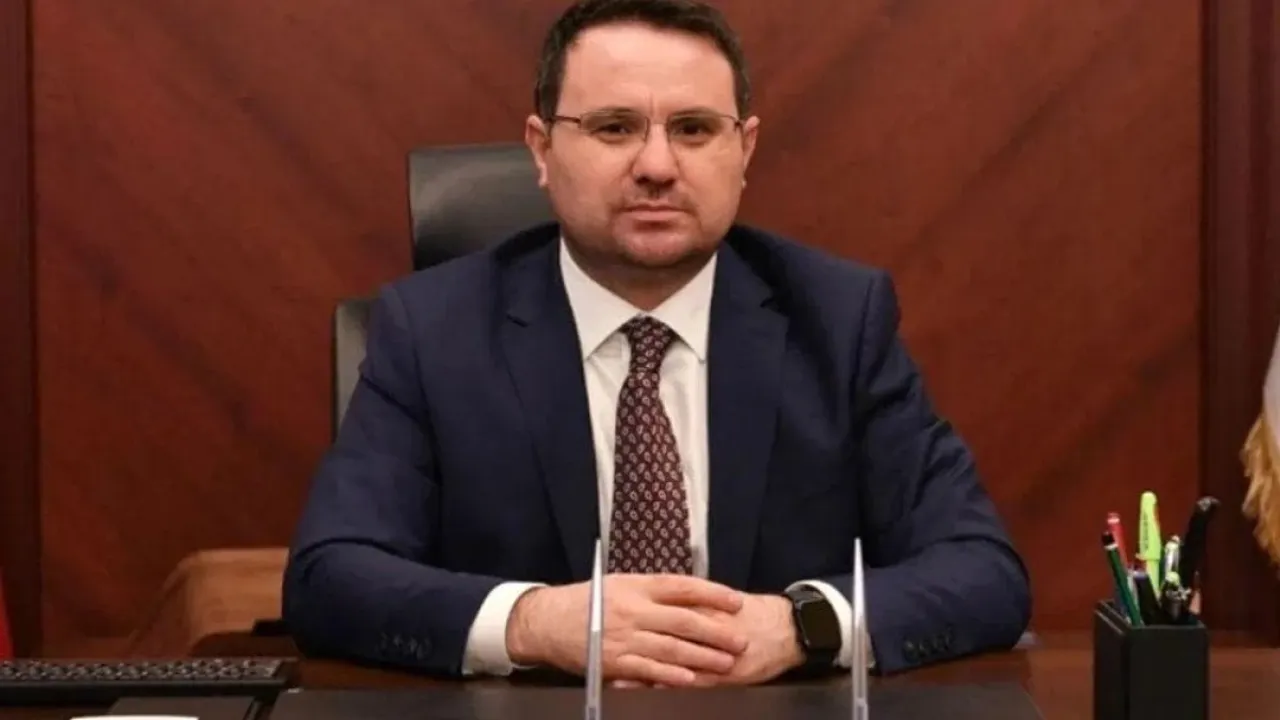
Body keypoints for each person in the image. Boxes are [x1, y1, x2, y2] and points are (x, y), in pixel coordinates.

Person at [282, 0, 1031, 688]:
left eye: (694, 129)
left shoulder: (837, 321)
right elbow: (330, 578)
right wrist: (535, 623)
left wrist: (802, 625)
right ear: (541, 148)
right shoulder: (432, 330)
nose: (657, 166)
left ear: (744, 149)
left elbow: (983, 570)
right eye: (614, 128)